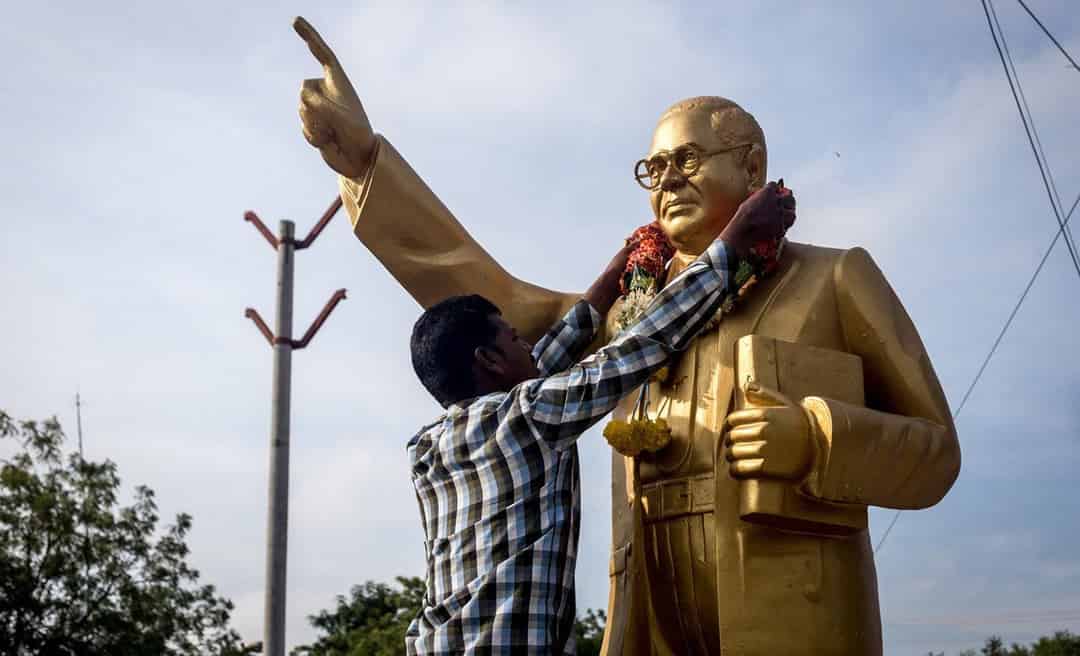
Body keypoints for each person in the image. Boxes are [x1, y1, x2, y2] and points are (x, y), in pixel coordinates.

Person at [292, 16, 959, 656]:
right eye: (654, 167)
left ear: (753, 169)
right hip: (651, 624)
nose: (667, 179)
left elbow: (934, 450)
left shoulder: (833, 277)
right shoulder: (626, 317)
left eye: (689, 159)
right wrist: (364, 165)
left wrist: (816, 438)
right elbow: (480, 296)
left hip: (796, 615)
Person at [403, 181, 791, 654]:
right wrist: (736, 239)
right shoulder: (528, 416)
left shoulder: (429, 448)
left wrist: (621, 268)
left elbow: (543, 365)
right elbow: (639, 347)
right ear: (489, 361)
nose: (527, 345)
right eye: (513, 339)